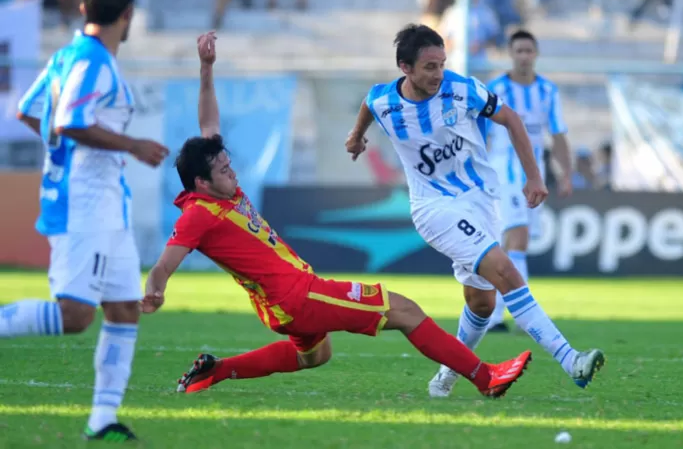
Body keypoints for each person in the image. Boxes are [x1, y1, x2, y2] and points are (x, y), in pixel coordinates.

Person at [143, 32, 532, 400]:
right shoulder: (197, 215)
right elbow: (165, 262)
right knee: (405, 310)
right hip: (298, 296)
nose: (234, 173)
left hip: (280, 304)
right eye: (225, 171)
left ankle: (217, 370)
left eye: (230, 164)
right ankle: (486, 377)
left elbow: (209, 125)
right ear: (201, 182)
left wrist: (206, 68)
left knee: (314, 356)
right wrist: (155, 289)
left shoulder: (216, 186)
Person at [344, 24, 605, 399]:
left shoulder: (462, 88)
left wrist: (534, 177)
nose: (438, 74)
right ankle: (571, 360)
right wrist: (356, 136)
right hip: (434, 207)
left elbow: (511, 119)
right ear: (405, 67)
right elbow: (370, 105)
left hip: (482, 201)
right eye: (429, 67)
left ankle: (445, 379)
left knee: (481, 303)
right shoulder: (386, 101)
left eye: (441, 64)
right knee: (506, 270)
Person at [4, 0, 170, 442]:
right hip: (85, 205)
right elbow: (72, 120)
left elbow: (28, 110)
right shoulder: (94, 61)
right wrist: (131, 144)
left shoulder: (67, 56)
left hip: (106, 208)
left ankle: (102, 417)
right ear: (128, 14)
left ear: (82, 8)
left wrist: (60, 149)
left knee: (123, 310)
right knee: (76, 315)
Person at [479, 30, 573, 334]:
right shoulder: (495, 88)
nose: (523, 56)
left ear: (536, 54)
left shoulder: (548, 90)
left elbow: (557, 134)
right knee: (516, 239)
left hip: (535, 173)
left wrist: (566, 173)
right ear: (510, 54)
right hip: (504, 172)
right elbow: (481, 135)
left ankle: (494, 314)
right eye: (518, 51)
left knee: (513, 244)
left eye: (528, 51)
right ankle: (523, 314)